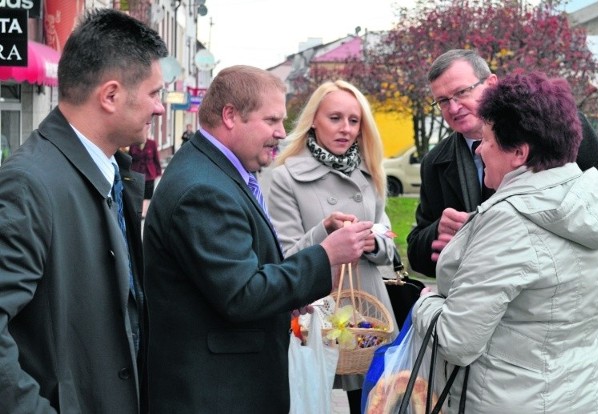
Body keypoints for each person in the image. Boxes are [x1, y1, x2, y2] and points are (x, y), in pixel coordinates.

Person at [406, 49, 598, 413]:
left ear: (491, 84)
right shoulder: (437, 162)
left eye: (461, 92)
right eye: (442, 101)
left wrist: (520, 241)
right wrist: (444, 234)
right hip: (503, 363)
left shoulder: (554, 121)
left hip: (549, 342)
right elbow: (418, 248)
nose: (453, 107)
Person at [143, 65, 374, 413]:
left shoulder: (216, 172)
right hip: (215, 392)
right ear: (231, 116)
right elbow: (242, 294)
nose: (282, 132)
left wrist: (291, 292)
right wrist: (325, 256)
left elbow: (242, 270)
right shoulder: (203, 189)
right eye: (272, 121)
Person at [0, 9, 167, 414]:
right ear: (110, 96)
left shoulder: (112, 169)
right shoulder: (29, 184)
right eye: (154, 93)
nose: (160, 108)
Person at [268, 79, 397, 414]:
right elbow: (284, 255)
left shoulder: (370, 171)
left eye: (354, 121)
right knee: (307, 400)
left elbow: (389, 240)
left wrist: (370, 243)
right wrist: (325, 235)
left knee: (370, 403)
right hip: (316, 310)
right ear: (314, 119)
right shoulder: (286, 176)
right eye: (335, 118)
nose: (346, 129)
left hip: (366, 311)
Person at [129, 135, 162, 218]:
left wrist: (158, 171)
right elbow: (130, 158)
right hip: (136, 172)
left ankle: (143, 213)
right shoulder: (133, 144)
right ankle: (139, 211)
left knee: (148, 194)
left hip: (149, 173)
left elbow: (156, 158)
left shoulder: (152, 143)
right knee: (137, 193)